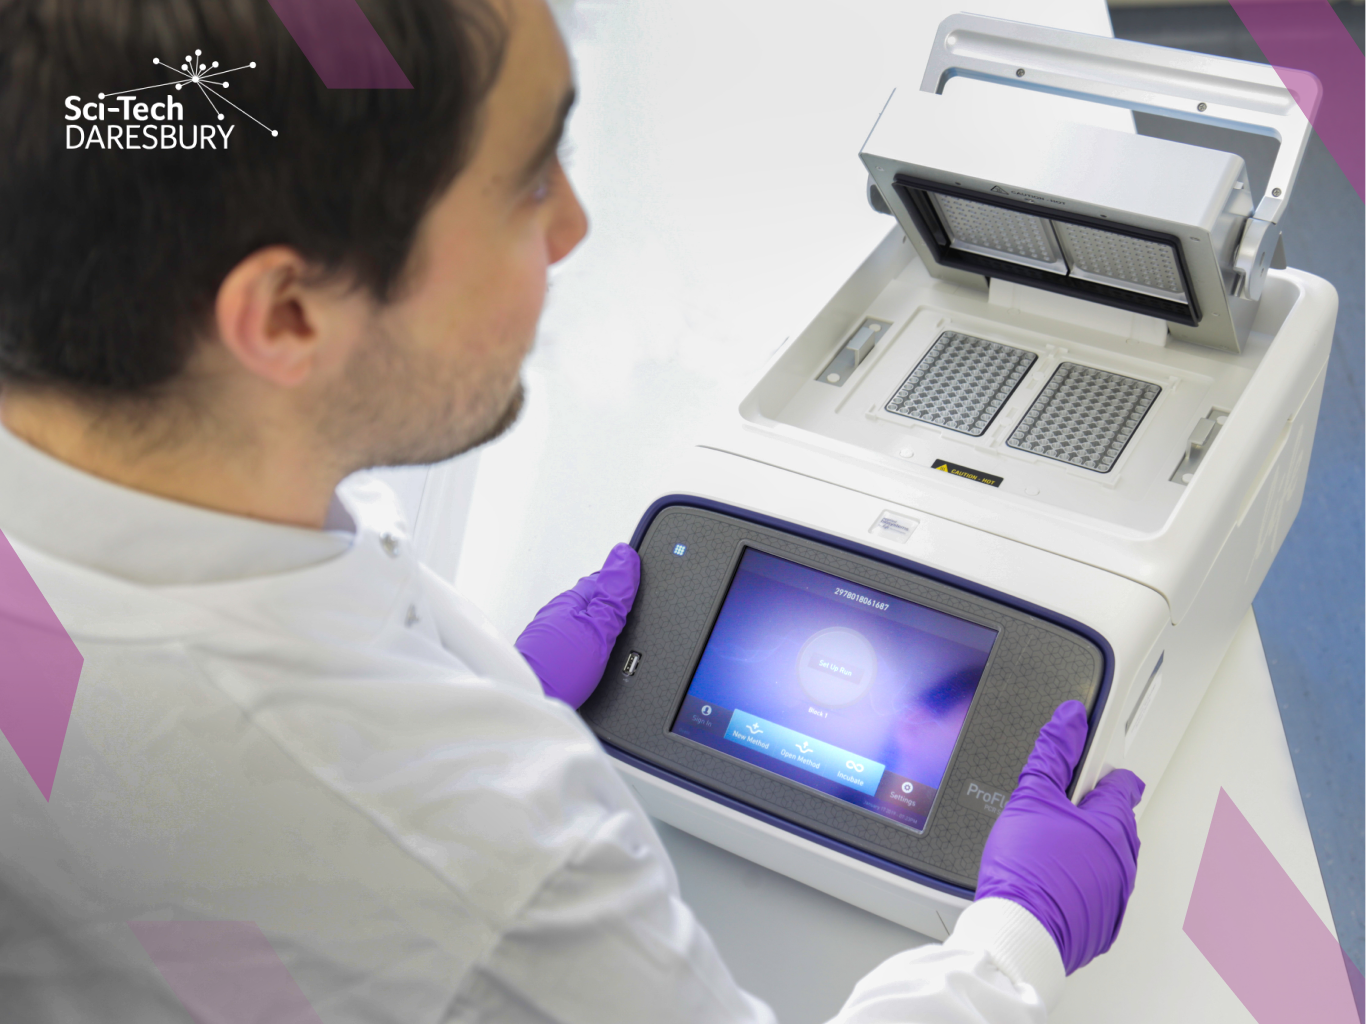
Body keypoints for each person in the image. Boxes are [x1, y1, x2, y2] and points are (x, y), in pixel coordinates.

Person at [0, 0, 1144, 1020]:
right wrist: (1014, 940)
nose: (575, 228)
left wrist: (483, 671)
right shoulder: (496, 869)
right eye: (531, 179)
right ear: (289, 317)